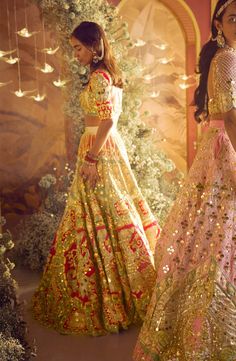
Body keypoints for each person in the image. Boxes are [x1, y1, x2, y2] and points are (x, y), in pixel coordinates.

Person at [31, 21, 160, 336]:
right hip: (104, 146)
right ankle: (120, 286)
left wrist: (91, 157)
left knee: (105, 212)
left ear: (93, 45)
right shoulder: (106, 75)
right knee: (107, 213)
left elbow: (107, 119)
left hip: (98, 148)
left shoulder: (101, 77)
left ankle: (114, 294)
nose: (75, 54)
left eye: (78, 47)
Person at [134, 0, 236, 359]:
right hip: (227, 153)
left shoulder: (228, 57)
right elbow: (230, 116)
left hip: (219, 148)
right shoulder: (227, 59)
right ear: (219, 25)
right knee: (218, 235)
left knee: (210, 236)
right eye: (234, 17)